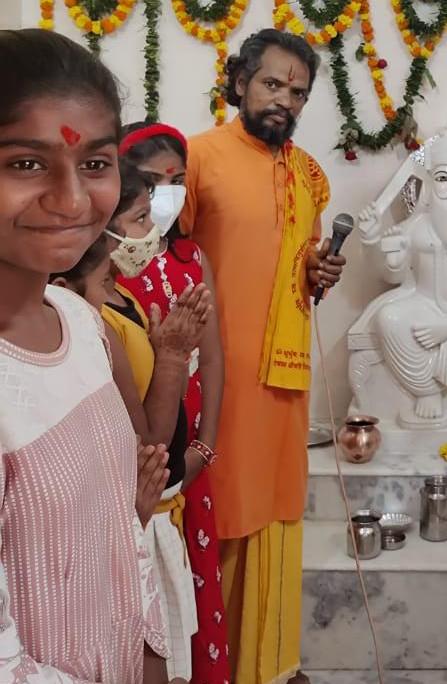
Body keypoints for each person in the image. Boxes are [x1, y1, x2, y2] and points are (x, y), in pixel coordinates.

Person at [0, 28, 171, 682]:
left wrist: (152, 655)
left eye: (95, 164)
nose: (73, 201)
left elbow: (122, 541)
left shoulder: (77, 319)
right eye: (26, 164)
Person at [178, 28, 346, 684]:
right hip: (216, 379)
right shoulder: (197, 158)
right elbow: (164, 261)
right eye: (272, 83)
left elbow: (297, 269)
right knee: (220, 507)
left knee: (277, 506)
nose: (284, 100)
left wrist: (318, 272)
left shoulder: (309, 175)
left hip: (283, 377)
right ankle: (213, 667)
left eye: (298, 92)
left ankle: (270, 664)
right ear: (240, 81)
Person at [53, 160, 212, 681]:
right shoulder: (90, 322)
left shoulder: (118, 299)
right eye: (140, 217)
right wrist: (172, 356)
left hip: (150, 514)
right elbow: (146, 443)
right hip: (130, 521)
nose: (152, 230)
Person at [117, 121, 231, 684]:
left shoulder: (191, 258)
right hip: (139, 466)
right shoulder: (111, 270)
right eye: (153, 181)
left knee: (196, 581)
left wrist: (203, 449)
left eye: (178, 180)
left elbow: (213, 359)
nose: (167, 193)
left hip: (190, 459)